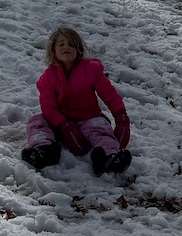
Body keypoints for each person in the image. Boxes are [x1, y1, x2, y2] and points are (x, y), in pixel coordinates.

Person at [22, 27, 132, 175]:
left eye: (71, 44)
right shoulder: (48, 77)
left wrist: (121, 116)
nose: (66, 47)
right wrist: (63, 124)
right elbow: (49, 107)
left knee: (102, 130)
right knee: (36, 122)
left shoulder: (91, 70)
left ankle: (107, 157)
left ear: (79, 50)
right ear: (53, 51)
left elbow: (110, 95)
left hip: (89, 118)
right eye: (61, 44)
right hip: (60, 124)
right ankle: (44, 150)